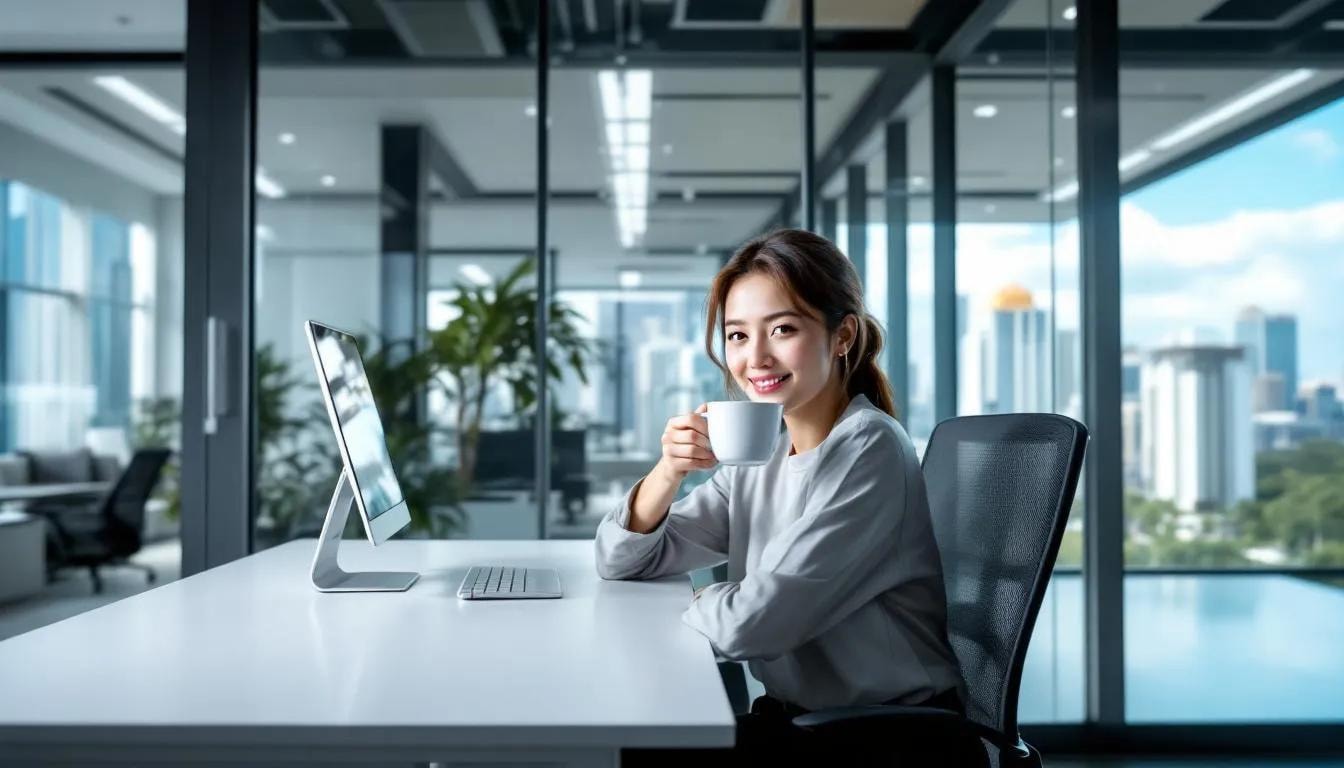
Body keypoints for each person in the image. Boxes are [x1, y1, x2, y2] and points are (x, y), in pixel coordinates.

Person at [595, 229, 979, 766]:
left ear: (842, 335)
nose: (756, 358)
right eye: (737, 336)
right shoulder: (768, 454)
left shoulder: (868, 449)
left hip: (888, 739)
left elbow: (753, 626)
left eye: (782, 329)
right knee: (643, 738)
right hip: (802, 721)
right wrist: (668, 471)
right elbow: (621, 558)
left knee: (646, 746)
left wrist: (702, 599)